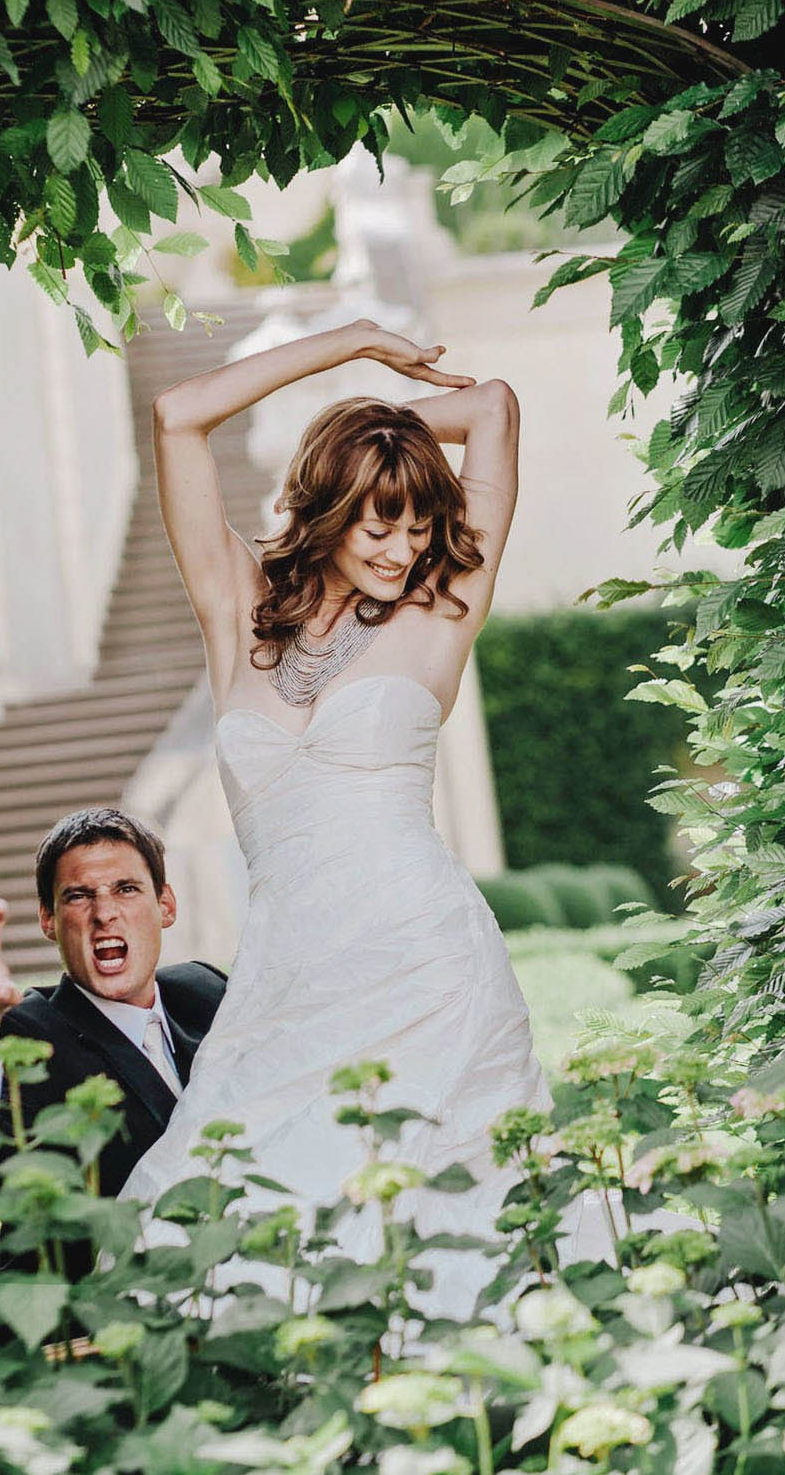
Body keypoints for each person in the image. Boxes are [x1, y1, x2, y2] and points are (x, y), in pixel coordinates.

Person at [118, 318, 556, 1311]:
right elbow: (177, 416)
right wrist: (351, 348)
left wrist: (365, 433)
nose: (403, 548)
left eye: (414, 524)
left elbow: (490, 406)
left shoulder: (438, 609)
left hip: (427, 969)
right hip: (288, 981)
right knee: (227, 1234)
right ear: (327, 507)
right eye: (376, 523)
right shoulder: (236, 611)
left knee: (455, 1240)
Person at [0, 807, 226, 1196]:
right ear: (48, 919)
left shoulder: (207, 990)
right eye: (79, 896)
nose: (105, 913)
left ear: (165, 904)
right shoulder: (25, 1034)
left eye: (126, 889)